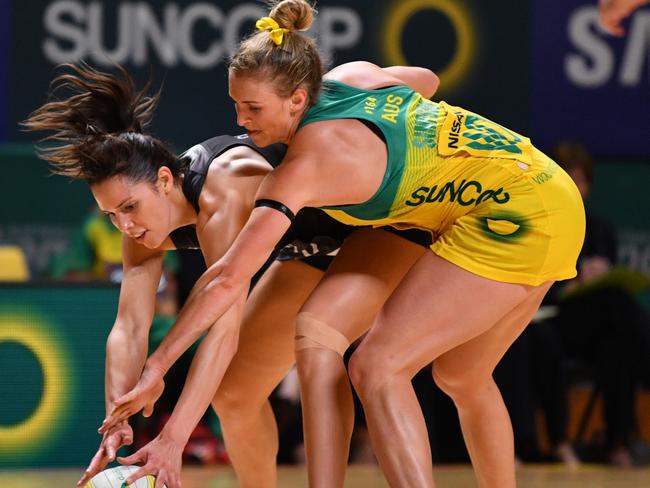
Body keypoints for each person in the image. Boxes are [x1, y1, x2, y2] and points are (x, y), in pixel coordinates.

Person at [101, 1, 586, 487]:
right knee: (460, 376)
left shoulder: (296, 170)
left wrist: (161, 375)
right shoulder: (349, 78)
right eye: (236, 105)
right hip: (544, 187)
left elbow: (227, 281)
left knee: (362, 357)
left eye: (252, 108)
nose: (241, 119)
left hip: (503, 215)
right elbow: (426, 79)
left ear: (296, 100)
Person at [23, 62, 436, 488]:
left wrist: (174, 439)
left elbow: (223, 330)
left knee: (325, 345)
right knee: (235, 397)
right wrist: (116, 416)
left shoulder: (225, 187)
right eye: (111, 215)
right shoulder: (140, 225)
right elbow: (129, 327)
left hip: (378, 227)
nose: (124, 225)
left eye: (129, 208)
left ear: (164, 180)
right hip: (312, 250)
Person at [549, 142, 650, 465]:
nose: (576, 187)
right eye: (568, 177)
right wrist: (576, 282)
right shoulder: (543, 224)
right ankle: (621, 439)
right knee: (619, 308)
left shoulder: (601, 229)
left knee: (618, 346)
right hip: (558, 321)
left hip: (600, 328)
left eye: (581, 179)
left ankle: (616, 442)